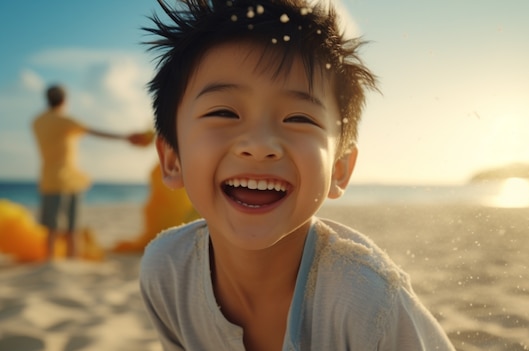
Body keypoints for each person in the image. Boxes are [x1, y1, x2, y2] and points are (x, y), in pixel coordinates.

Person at [139, 0, 456, 350]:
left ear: (339, 169)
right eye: (224, 112)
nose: (259, 146)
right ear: (171, 160)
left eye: (299, 119)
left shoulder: (368, 303)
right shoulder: (165, 270)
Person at [32, 84, 147, 259]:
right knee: (72, 227)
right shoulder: (65, 121)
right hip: (69, 178)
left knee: (52, 227)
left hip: (49, 178)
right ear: (64, 100)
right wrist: (126, 137)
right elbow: (95, 132)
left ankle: (50, 259)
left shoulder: (37, 122)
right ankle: (72, 259)